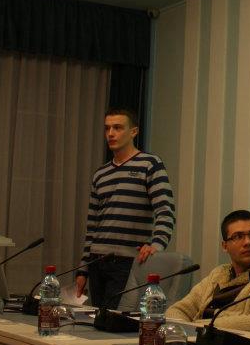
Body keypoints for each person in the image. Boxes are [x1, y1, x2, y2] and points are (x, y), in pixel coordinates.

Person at [75, 108, 176, 309]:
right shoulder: (100, 174)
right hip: (97, 261)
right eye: (107, 128)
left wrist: (156, 245)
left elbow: (166, 211)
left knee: (114, 320)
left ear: (134, 132)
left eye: (118, 128)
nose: (111, 133)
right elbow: (92, 225)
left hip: (128, 262)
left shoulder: (150, 164)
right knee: (98, 319)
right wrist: (83, 269)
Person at [165, 210, 250, 334]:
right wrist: (184, 332)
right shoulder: (219, 274)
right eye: (238, 236)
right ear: (225, 246)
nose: (248, 242)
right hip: (197, 341)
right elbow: (177, 310)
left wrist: (197, 327)